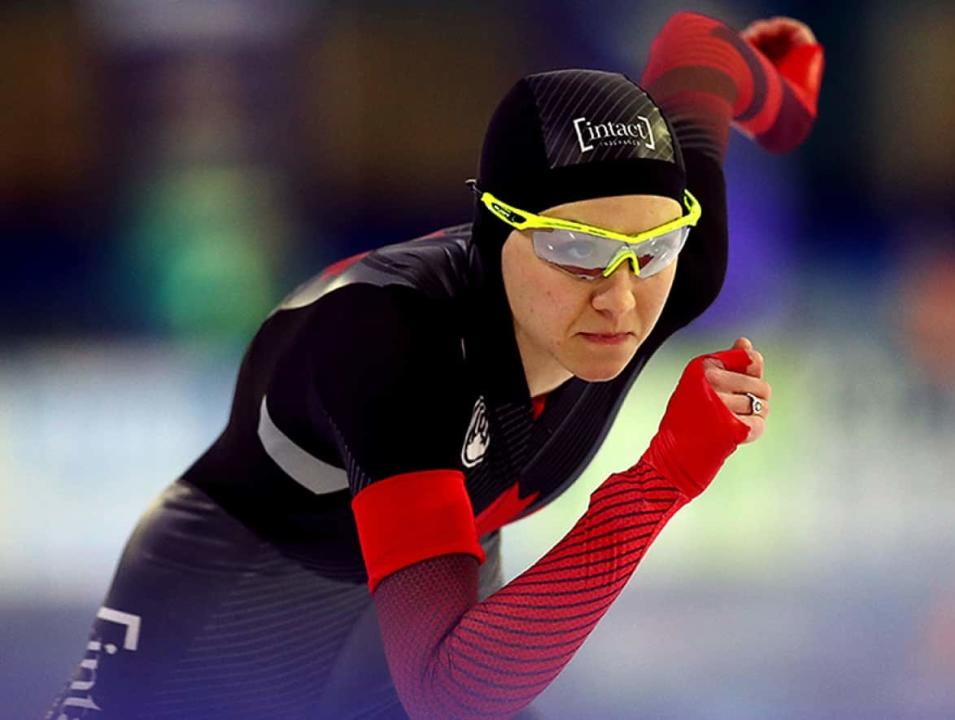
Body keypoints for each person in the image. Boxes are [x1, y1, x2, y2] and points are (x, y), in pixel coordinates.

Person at [48, 11, 823, 720]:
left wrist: (782, 101)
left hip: (435, 581)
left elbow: (696, 50)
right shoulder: (387, 339)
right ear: (497, 232)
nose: (620, 301)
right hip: (242, 595)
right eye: (576, 251)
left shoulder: (679, 266)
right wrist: (662, 477)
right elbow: (450, 692)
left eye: (648, 252)